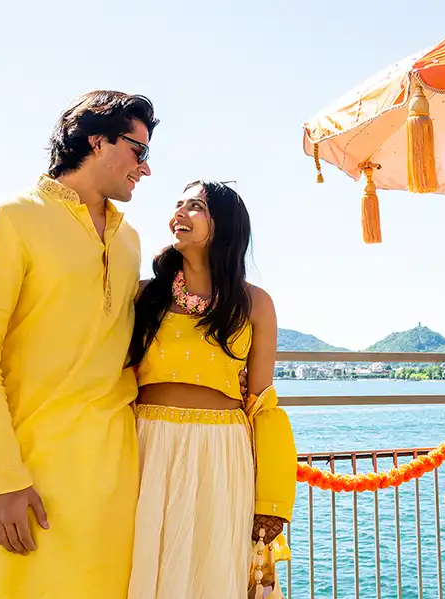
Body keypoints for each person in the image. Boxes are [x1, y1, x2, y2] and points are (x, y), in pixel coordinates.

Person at [0, 90, 160, 598]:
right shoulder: (10, 218)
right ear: (97, 140)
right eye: (139, 151)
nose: (146, 169)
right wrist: (2, 478)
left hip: (114, 479)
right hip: (29, 476)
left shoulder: (130, 240)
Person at [126, 180, 297, 598]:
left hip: (223, 450)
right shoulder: (146, 296)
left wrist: (271, 501)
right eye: (178, 204)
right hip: (148, 444)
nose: (180, 213)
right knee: (146, 567)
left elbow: (262, 403)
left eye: (196, 206)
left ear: (224, 226)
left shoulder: (255, 303)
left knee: (213, 570)